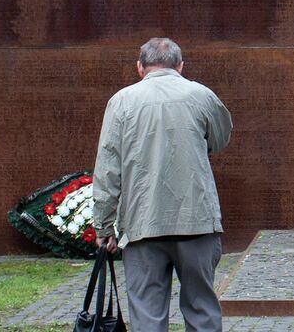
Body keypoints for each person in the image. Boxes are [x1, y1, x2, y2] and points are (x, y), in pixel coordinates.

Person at [92, 37, 235, 332]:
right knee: (202, 308)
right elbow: (220, 138)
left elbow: (108, 169)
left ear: (140, 67)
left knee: (147, 314)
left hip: (142, 222)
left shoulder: (121, 101)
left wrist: (104, 227)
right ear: (180, 66)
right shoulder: (201, 95)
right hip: (195, 221)